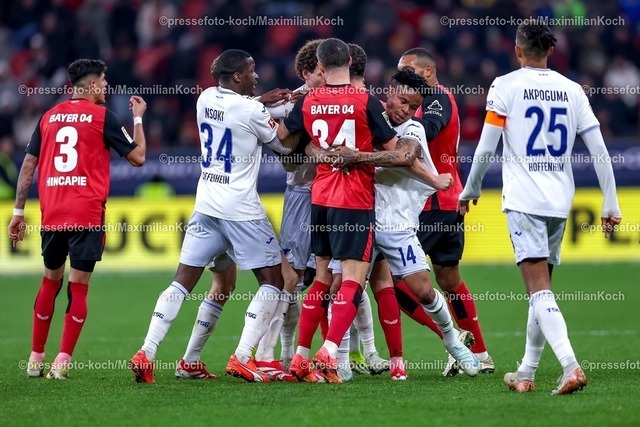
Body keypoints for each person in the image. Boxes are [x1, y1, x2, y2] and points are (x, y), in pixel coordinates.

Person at [458, 23, 621, 395]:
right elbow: (599, 150)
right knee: (541, 289)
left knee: (538, 291)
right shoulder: (573, 89)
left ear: (517, 50)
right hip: (559, 201)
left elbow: (487, 146)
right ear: (550, 50)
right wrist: (610, 202)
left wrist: (471, 188)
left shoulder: (505, 85)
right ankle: (526, 372)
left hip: (525, 200)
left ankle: (570, 366)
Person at [129, 49, 294, 383]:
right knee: (274, 281)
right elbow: (284, 147)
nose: (256, 76)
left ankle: (154, 353)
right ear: (238, 77)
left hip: (206, 205)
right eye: (251, 71)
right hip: (241, 210)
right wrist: (295, 116)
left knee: (191, 281)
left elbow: (236, 109)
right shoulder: (251, 110)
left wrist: (260, 102)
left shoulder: (204, 98)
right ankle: (242, 357)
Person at [278, 38, 419, 383]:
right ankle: (329, 350)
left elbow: (283, 138)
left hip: (319, 197)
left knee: (321, 278)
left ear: (320, 67)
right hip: (353, 199)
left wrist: (313, 147)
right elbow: (396, 152)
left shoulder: (308, 99)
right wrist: (408, 145)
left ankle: (300, 356)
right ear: (352, 64)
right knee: (353, 279)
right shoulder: (364, 101)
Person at [8, 59, 147, 379]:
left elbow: (28, 166)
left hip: (53, 214)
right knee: (79, 287)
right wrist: (138, 119)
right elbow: (138, 158)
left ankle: (35, 358)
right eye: (104, 80)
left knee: (50, 281)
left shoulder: (48, 116)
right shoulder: (103, 116)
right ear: (92, 84)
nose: (106, 86)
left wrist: (18, 213)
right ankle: (62, 362)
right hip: (86, 214)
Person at [358, 70, 478, 380]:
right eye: (403, 102)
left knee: (424, 290)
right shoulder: (370, 116)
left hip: (398, 224)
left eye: (413, 107)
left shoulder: (413, 128)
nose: (407, 111)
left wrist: (356, 157)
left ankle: (452, 340)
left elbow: (404, 156)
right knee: (347, 288)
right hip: (360, 218)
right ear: (390, 93)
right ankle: (343, 358)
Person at [396, 47, 494, 375]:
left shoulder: (436, 97)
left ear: (427, 72)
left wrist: (392, 124)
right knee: (449, 278)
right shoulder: (421, 100)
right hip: (445, 201)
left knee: (395, 279)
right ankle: (480, 353)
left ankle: (455, 341)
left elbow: (430, 130)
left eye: (408, 70)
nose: (402, 77)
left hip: (432, 203)